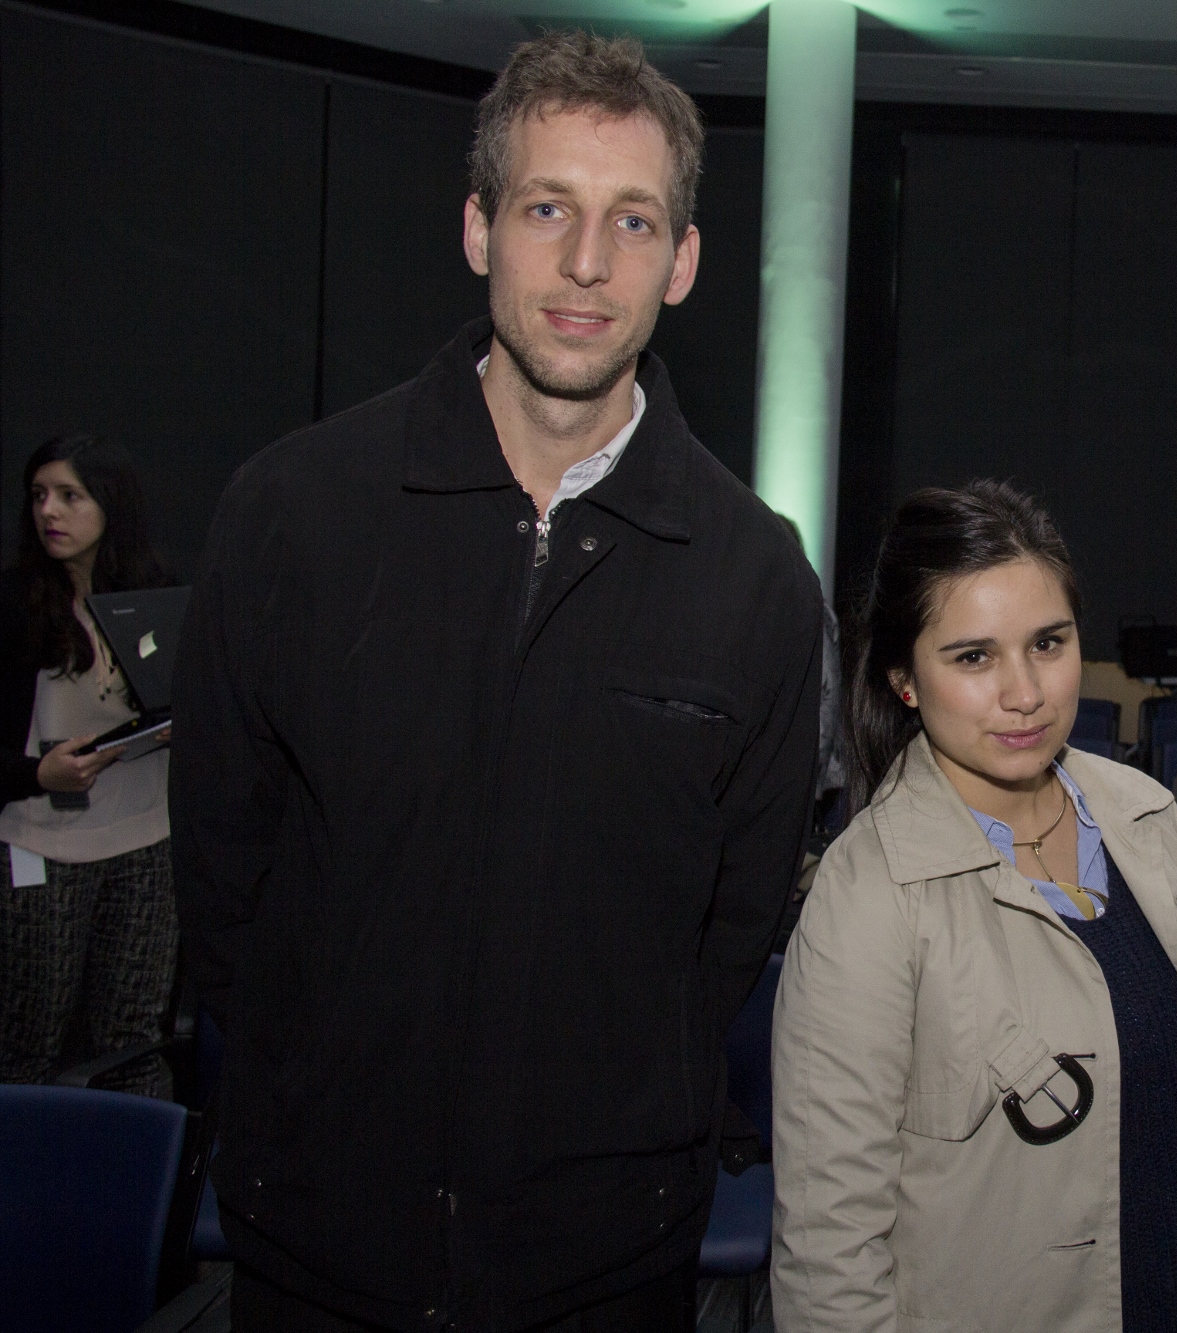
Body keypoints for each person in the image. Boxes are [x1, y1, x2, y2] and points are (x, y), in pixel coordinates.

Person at [172, 31, 823, 1332]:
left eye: (633, 221)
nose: (588, 264)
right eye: (548, 209)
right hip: (317, 1249)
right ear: (479, 229)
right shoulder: (295, 514)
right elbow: (225, 887)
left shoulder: (755, 579)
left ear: (684, 261)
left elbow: (728, 932)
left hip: (599, 1268)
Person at [770, 480, 1177, 1333]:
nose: (1025, 692)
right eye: (973, 657)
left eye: (1048, 642)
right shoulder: (869, 896)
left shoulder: (1147, 820)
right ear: (904, 677)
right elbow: (830, 1248)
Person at [1, 434, 175, 1097]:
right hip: (39, 846)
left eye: (70, 496)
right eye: (40, 496)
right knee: (27, 1041)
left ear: (110, 505)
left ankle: (132, 1191)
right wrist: (34, 775)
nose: (51, 511)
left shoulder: (152, 590)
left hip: (143, 842)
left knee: (132, 1039)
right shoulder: (14, 602)